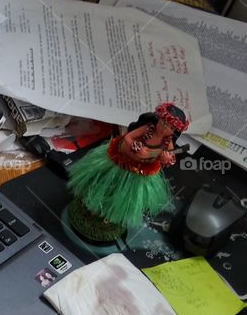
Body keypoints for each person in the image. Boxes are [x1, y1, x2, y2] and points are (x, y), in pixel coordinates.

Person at [67, 103, 189, 242]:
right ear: (159, 119)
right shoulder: (148, 128)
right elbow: (128, 138)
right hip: (120, 162)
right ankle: (89, 206)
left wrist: (167, 157)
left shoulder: (167, 141)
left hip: (138, 173)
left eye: (170, 127)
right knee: (103, 184)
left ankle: (109, 215)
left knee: (121, 196)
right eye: (163, 122)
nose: (164, 128)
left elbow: (170, 158)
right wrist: (139, 148)